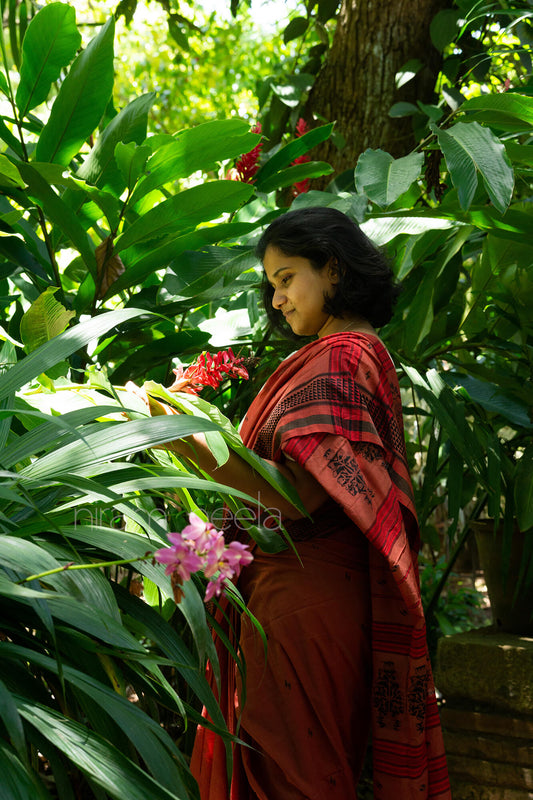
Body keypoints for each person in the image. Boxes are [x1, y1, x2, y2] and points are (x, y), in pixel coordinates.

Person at [171, 207, 450, 799]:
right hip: (304, 601)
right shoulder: (349, 355)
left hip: (303, 602)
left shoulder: (345, 356)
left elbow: (297, 496)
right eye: (271, 285)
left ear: (332, 268)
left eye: (285, 278)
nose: (276, 300)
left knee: (293, 780)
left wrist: (193, 447)